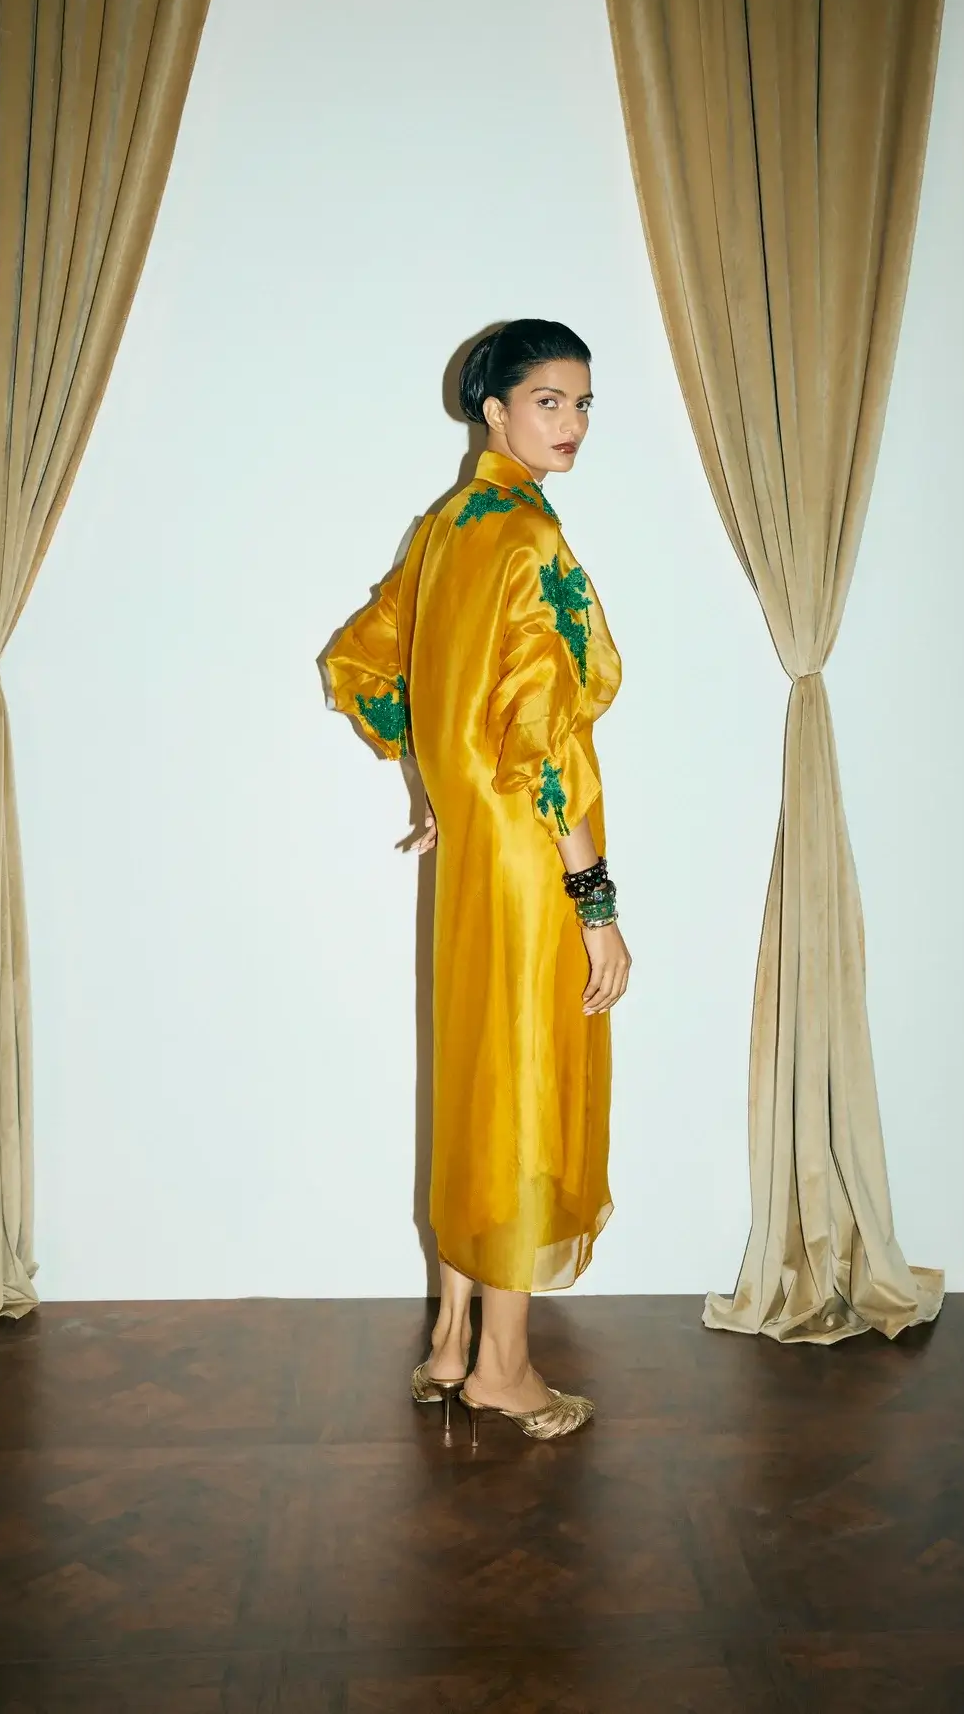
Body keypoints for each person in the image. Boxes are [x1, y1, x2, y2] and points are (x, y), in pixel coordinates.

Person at [320, 319, 629, 1444]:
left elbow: (368, 661)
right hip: (529, 862)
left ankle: (451, 1340)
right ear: (494, 411)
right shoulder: (528, 541)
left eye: (584, 403)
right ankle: (504, 1367)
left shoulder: (447, 528)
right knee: (525, 1086)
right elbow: (548, 745)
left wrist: (440, 785)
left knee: (474, 1078)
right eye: (550, 402)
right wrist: (596, 903)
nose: (573, 423)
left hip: (470, 861)